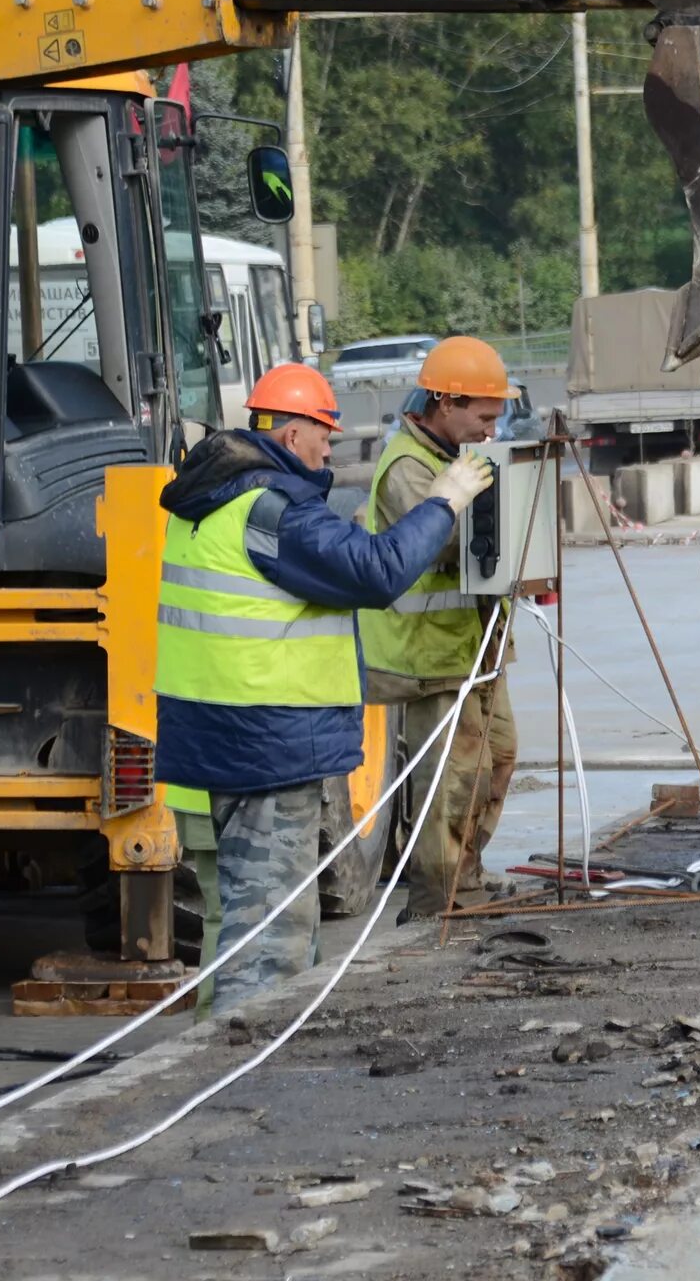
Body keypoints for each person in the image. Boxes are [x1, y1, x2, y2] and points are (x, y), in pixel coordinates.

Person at [155, 364, 491, 1003]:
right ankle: (240, 1068)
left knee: (254, 920)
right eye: (324, 433)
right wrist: (444, 499)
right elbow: (377, 571)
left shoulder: (208, 502)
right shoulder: (271, 511)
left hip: (222, 736)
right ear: (288, 436)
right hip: (267, 744)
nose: (331, 447)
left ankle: (241, 1054)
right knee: (269, 945)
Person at [360, 337, 523, 921]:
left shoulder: (453, 457)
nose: (491, 428)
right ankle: (436, 899)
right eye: (483, 416)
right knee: (447, 783)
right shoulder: (408, 466)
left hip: (477, 648)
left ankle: (467, 874)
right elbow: (440, 542)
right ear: (445, 403)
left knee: (497, 759)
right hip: (430, 658)